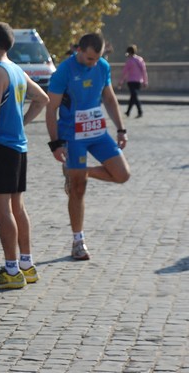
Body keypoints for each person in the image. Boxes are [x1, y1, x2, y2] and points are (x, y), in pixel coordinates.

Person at [0, 22, 49, 289]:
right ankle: (26, 265)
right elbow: (42, 99)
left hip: (1, 148)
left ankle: (10, 269)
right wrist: (21, 122)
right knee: (18, 208)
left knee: (1, 210)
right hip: (19, 146)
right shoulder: (17, 70)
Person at [46, 32, 131, 261]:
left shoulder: (102, 67)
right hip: (72, 135)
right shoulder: (64, 71)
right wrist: (55, 144)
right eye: (91, 58)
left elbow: (110, 98)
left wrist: (121, 129)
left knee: (122, 174)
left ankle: (77, 172)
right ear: (79, 51)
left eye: (98, 58)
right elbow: (51, 109)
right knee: (78, 188)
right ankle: (78, 240)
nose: (95, 62)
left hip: (97, 131)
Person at [118, 44, 148, 118]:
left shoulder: (129, 61)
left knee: (134, 96)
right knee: (133, 96)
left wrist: (121, 81)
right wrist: (145, 81)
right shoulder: (140, 59)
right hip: (138, 81)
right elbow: (144, 71)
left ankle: (139, 111)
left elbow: (124, 72)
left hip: (131, 81)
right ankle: (128, 112)